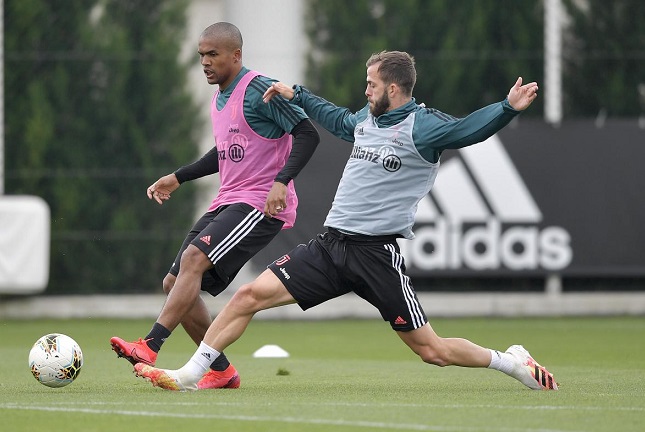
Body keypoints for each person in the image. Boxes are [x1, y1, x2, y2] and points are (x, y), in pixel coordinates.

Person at [133, 50, 558, 391]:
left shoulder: (421, 127)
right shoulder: (366, 119)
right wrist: (295, 92)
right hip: (330, 247)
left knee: (433, 351)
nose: (366, 89)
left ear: (393, 87)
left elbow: (468, 130)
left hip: (376, 255)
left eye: (371, 83)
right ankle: (191, 374)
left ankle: (511, 362)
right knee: (247, 296)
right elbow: (334, 116)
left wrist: (506, 107)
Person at [109, 22, 319, 389]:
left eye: (213, 55)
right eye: (201, 55)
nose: (205, 62)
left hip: (259, 205)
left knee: (192, 260)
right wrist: (179, 176)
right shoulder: (220, 97)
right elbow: (223, 154)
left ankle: (151, 345)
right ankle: (221, 370)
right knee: (173, 282)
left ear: (236, 55)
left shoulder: (259, 89)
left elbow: (307, 133)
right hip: (229, 200)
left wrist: (281, 182)